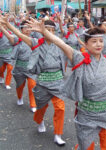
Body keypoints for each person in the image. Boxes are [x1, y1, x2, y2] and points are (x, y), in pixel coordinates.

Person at [25, 18, 106, 150]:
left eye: (101, 41)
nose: (99, 44)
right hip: (86, 114)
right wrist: (45, 33)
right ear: (85, 44)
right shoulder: (78, 58)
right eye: (94, 41)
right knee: (86, 146)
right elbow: (61, 44)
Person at [0, 17, 66, 146]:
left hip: (57, 81)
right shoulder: (35, 42)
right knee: (41, 106)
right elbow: (18, 34)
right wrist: (7, 24)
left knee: (60, 108)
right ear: (42, 31)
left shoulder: (59, 43)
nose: (50, 32)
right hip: (42, 81)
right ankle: (39, 121)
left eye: (52, 30)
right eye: (47, 30)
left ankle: (58, 134)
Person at [0, 21, 37, 112]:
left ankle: (33, 104)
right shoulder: (17, 39)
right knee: (20, 86)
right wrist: (2, 27)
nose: (27, 30)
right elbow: (9, 37)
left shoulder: (34, 40)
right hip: (19, 68)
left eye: (29, 28)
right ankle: (19, 98)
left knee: (32, 85)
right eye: (25, 28)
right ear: (21, 30)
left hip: (31, 68)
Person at [0, 24, 13, 89]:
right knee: (1, 69)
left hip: (9, 56)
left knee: (10, 69)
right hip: (1, 56)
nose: (4, 27)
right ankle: (1, 76)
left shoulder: (11, 34)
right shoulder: (0, 34)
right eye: (2, 26)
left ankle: (7, 83)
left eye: (5, 25)